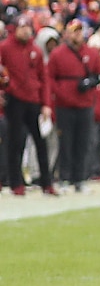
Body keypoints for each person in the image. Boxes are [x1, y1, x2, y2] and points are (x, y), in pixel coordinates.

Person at [1, 17, 54, 196]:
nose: (25, 31)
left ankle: (46, 182)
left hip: (33, 100)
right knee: (15, 142)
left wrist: (46, 103)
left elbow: (44, 78)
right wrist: (6, 89)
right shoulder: (5, 48)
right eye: (22, 27)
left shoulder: (36, 51)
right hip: (14, 99)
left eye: (28, 28)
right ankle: (16, 182)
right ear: (14, 29)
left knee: (41, 142)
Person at [47, 20, 98, 192]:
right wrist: (60, 93)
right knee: (66, 143)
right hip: (65, 105)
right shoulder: (58, 54)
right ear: (67, 33)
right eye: (74, 31)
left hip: (84, 104)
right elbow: (50, 78)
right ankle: (64, 178)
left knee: (82, 143)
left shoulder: (91, 53)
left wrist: (90, 82)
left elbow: (98, 75)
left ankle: (80, 178)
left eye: (80, 31)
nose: (77, 35)